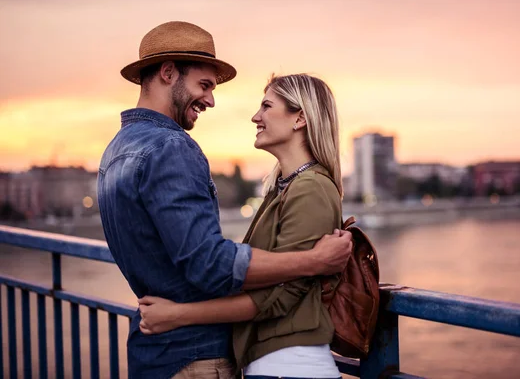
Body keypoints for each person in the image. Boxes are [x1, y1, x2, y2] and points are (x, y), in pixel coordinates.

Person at [97, 21, 352, 379]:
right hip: (194, 356)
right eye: (204, 85)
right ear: (168, 73)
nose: (211, 100)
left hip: (158, 352)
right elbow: (209, 263)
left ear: (301, 119)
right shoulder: (170, 147)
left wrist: (175, 314)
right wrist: (313, 261)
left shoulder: (116, 152)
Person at [137, 73, 345, 379]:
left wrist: (178, 315)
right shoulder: (285, 188)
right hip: (275, 364)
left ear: (299, 118)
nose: (255, 117)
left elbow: (277, 297)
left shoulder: (311, 188)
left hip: (292, 367)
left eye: (266, 106)